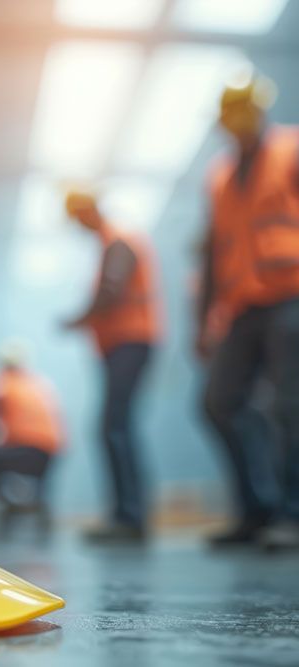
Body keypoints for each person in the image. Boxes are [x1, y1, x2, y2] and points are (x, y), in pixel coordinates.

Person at [197, 71, 299, 550]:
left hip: (291, 293)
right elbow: (213, 250)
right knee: (220, 402)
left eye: (245, 109)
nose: (238, 119)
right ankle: (256, 510)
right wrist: (204, 322)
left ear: (259, 110)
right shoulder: (218, 176)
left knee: (290, 403)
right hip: (242, 305)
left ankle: (292, 515)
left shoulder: (291, 150)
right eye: (230, 111)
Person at [62, 189, 161, 543]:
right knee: (116, 426)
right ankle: (126, 514)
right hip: (122, 344)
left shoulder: (118, 240)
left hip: (131, 341)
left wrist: (78, 319)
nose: (76, 225)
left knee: (114, 426)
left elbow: (111, 291)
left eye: (76, 217)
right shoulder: (110, 241)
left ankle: (130, 517)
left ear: (89, 210)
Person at [0, 341, 64, 514]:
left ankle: (5, 498)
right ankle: (38, 503)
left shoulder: (0, 383)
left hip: (21, 449)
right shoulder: (41, 384)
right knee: (35, 470)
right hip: (51, 451)